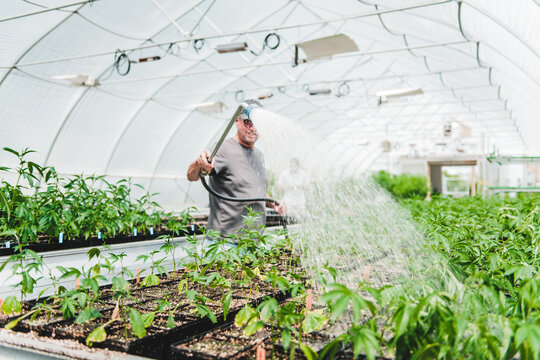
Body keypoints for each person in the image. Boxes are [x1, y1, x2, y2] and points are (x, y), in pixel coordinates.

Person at [187, 99, 284, 239]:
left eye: (257, 124)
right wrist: (199, 163)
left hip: (252, 242)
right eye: (247, 122)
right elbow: (192, 176)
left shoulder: (258, 155)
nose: (253, 128)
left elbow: (255, 191)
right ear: (236, 121)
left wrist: (274, 203)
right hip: (225, 243)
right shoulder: (223, 148)